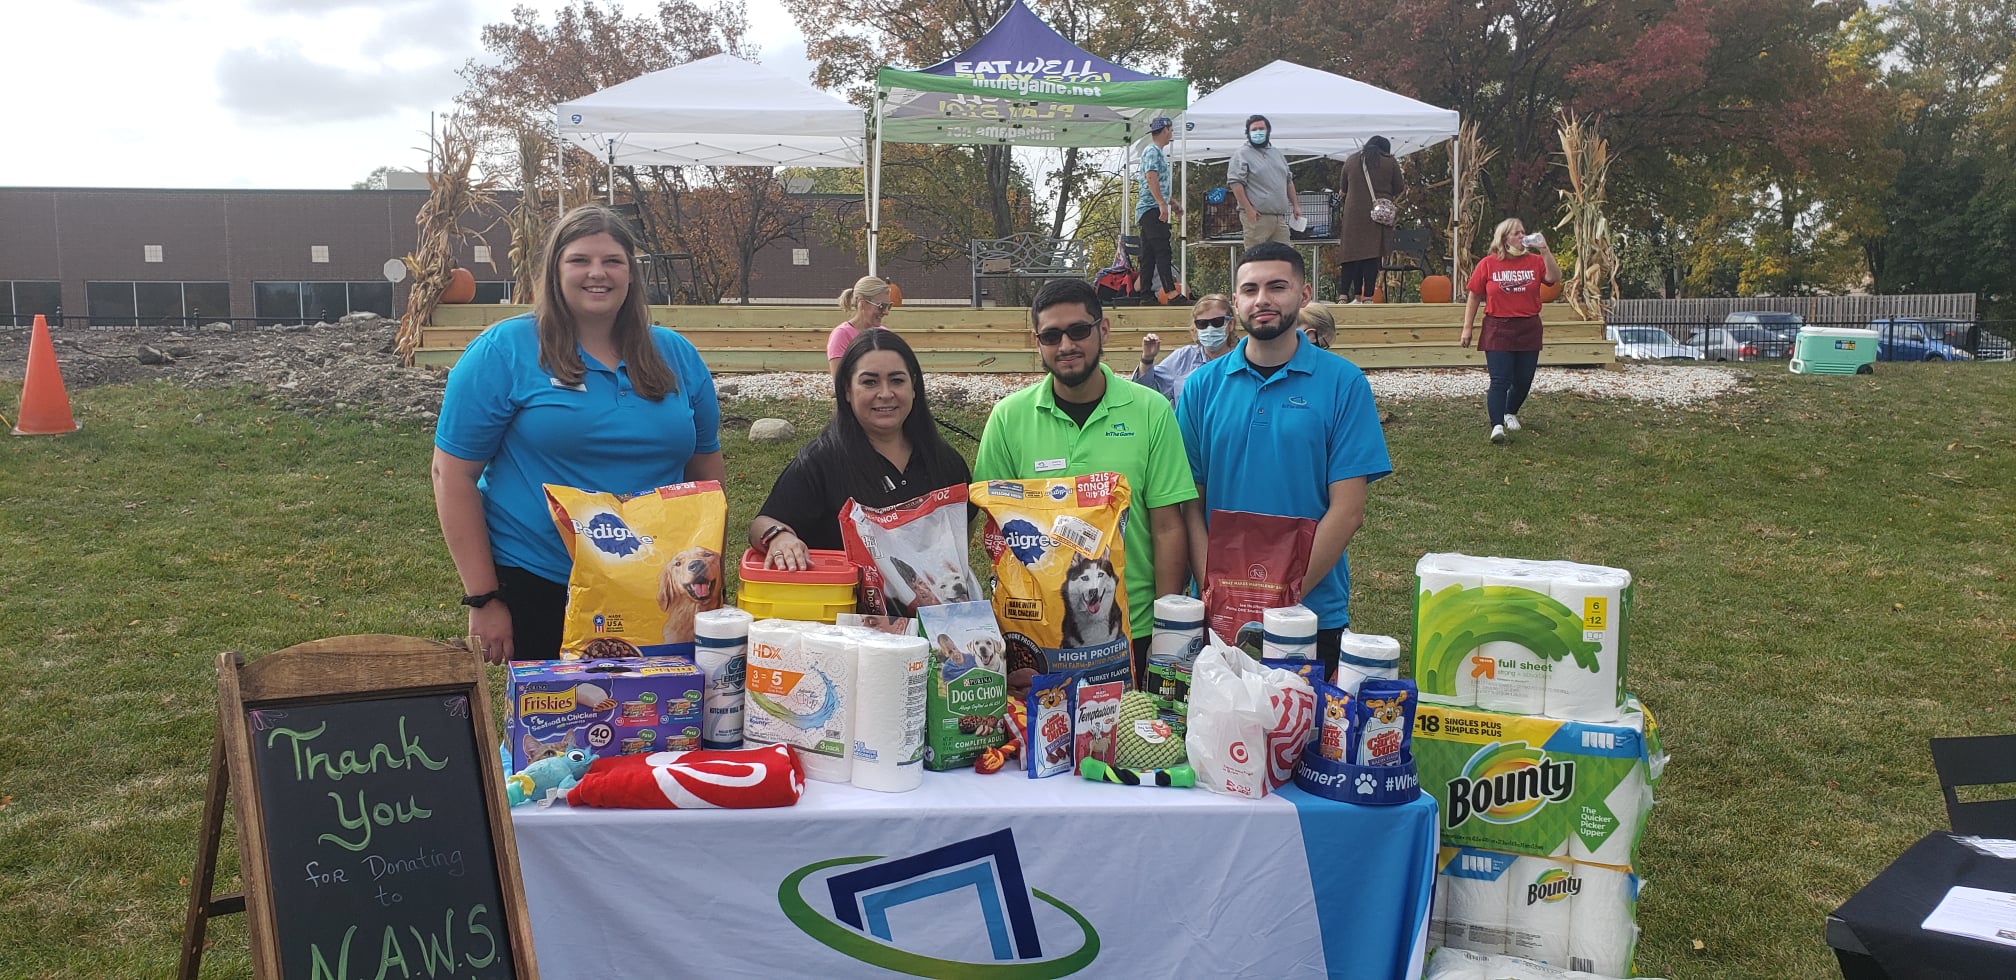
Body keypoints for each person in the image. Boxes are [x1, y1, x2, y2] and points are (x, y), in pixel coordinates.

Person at [433, 205, 725, 663]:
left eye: (612, 261)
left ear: (631, 274)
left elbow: (706, 470)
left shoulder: (676, 354)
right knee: (557, 729)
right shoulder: (504, 350)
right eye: (580, 260)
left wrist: (707, 574)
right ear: (555, 269)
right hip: (542, 580)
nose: (598, 273)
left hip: (653, 584)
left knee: (658, 723)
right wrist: (484, 599)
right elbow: (451, 475)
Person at [1176, 242, 1392, 675]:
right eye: (1250, 289)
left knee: (1306, 739)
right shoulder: (1200, 387)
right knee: (1217, 739)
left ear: (1304, 294)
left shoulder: (1343, 384)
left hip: (1310, 611)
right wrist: (1218, 595)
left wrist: (1278, 602)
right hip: (1216, 615)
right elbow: (1188, 507)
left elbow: (1347, 512)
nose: (1263, 300)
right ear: (1236, 300)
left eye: (1278, 287)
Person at [974, 278, 1197, 678]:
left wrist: (1167, 630)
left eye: (1079, 330)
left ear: (1103, 329)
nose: (1066, 346)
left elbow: (1167, 527)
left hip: (1134, 629)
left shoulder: (1151, 411)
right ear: (1036, 341)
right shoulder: (1008, 417)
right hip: (1038, 635)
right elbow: (995, 534)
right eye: (1051, 335)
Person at [749, 330, 971, 568]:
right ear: (847, 389)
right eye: (869, 382)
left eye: (897, 380)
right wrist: (779, 537)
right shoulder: (820, 462)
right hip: (842, 602)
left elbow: (965, 529)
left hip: (929, 603)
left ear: (914, 387)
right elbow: (761, 524)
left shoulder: (945, 462)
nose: (885, 394)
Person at [1461, 217, 1561, 444]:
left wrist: (1544, 249)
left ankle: (1509, 411)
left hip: (1528, 327)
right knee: (1500, 379)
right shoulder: (1488, 263)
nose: (1522, 236)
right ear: (1504, 237)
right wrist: (1467, 328)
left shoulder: (1535, 261)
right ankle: (1496, 425)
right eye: (1516, 233)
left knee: (1524, 378)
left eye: (1524, 232)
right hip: (1498, 327)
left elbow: (1554, 278)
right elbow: (1475, 295)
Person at [1131, 293, 1237, 404]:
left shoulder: (1243, 358)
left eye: (1217, 322)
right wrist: (1147, 359)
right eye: (1202, 324)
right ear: (1195, 328)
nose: (1209, 328)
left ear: (1230, 324)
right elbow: (1146, 394)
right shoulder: (1183, 358)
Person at [1336, 136, 1402, 303]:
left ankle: (1344, 295)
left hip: (1353, 214)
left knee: (1350, 254)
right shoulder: (1390, 162)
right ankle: (1368, 296)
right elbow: (1399, 187)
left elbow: (1343, 189)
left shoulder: (1351, 160)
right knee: (1372, 254)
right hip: (1377, 214)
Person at [1227, 114, 1301, 250]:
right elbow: (1235, 183)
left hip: (1279, 218)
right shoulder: (1241, 154)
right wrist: (1248, 209)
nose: (1258, 132)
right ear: (1247, 133)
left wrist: (1296, 205)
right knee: (1257, 260)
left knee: (1284, 258)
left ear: (1268, 131)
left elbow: (1288, 181)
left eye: (1261, 128)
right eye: (1254, 130)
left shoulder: (1277, 153)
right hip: (1257, 218)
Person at [1134, 115, 1183, 303]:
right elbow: (1151, 177)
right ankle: (1170, 292)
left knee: (1148, 253)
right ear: (1165, 130)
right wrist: (1161, 204)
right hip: (1151, 208)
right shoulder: (1152, 151)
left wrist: (1171, 202)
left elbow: (1158, 184)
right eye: (1170, 130)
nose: (1171, 133)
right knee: (1163, 248)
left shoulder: (1157, 152)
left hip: (1151, 206)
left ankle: (1145, 294)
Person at [826, 275, 893, 374]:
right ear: (861, 303)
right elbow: (839, 382)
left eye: (888, 306)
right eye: (881, 306)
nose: (886, 312)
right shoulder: (842, 335)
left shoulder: (885, 333)